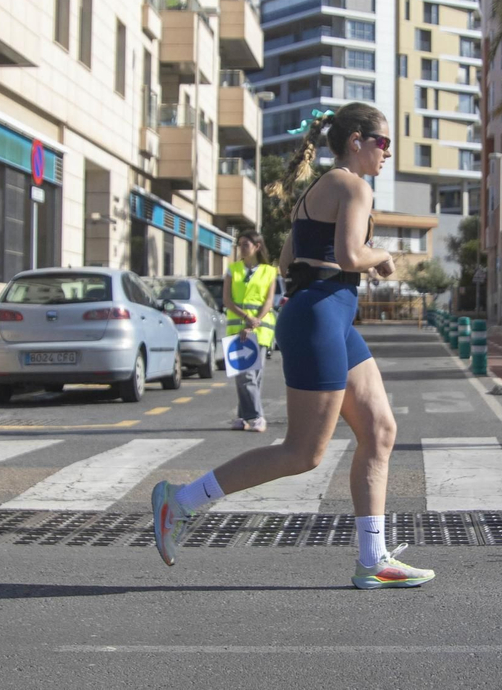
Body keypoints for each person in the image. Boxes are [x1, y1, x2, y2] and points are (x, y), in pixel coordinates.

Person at [151, 103, 433, 589]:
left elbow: (287, 259)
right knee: (303, 452)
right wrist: (381, 256)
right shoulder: (353, 185)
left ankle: (374, 559)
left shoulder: (319, 190)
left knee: (380, 430)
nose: (387, 153)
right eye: (383, 143)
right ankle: (179, 503)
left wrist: (345, 269)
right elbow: (348, 255)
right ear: (357, 141)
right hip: (322, 317)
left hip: (327, 315)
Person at [223, 232, 278, 432]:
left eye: (245, 244)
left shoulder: (269, 271)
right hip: (237, 329)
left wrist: (255, 321)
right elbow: (227, 300)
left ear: (256, 246)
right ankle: (255, 416)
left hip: (260, 330)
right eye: (239, 245)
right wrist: (247, 319)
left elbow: (269, 301)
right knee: (243, 375)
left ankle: (242, 417)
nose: (241, 248)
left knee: (254, 376)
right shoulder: (232, 270)